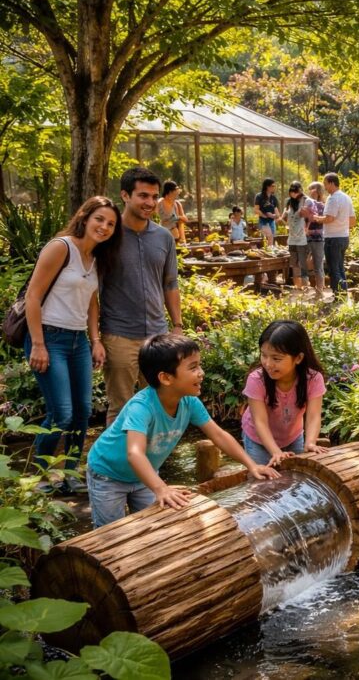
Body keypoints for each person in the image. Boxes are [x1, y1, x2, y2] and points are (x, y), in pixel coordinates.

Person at [86, 334, 280, 528]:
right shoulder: (142, 406)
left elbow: (219, 435)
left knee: (152, 527)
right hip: (107, 475)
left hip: (144, 476)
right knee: (111, 532)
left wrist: (251, 465)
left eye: (199, 365)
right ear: (166, 378)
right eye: (193, 367)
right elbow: (134, 453)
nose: (201, 372)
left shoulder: (190, 402)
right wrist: (161, 488)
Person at [23, 197, 123, 494]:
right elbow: (33, 296)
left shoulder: (96, 258)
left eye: (110, 224)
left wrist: (95, 340)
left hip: (78, 340)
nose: (104, 227)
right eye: (99, 219)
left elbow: (92, 301)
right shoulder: (60, 247)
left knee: (82, 411)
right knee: (61, 413)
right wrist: (38, 344)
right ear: (85, 217)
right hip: (49, 337)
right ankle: (39, 476)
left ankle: (70, 474)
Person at [101, 167, 184, 424]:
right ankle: (114, 464)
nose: (149, 203)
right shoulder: (107, 236)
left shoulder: (163, 237)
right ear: (125, 195)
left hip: (158, 336)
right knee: (121, 408)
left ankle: (153, 464)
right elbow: (89, 286)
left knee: (160, 405)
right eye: (143, 196)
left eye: (153, 196)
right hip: (119, 335)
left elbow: (170, 284)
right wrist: (94, 336)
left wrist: (177, 327)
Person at [241, 321, 329, 466]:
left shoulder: (313, 379)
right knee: (263, 482)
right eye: (264, 355)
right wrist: (275, 451)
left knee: (296, 481)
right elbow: (260, 422)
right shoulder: (256, 380)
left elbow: (313, 416)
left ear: (298, 358)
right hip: (258, 440)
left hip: (293, 437)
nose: (268, 363)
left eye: (276, 358)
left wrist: (311, 442)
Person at [319, 173, 355, 300]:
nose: (325, 187)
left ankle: (339, 296)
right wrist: (341, 226)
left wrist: (316, 218)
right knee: (340, 267)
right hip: (344, 237)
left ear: (331, 183)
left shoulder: (333, 198)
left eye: (325, 184)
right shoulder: (347, 197)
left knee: (334, 269)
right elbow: (352, 221)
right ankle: (343, 294)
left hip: (333, 238)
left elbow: (329, 218)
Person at [282, 181, 314, 294]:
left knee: (302, 262)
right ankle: (297, 286)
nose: (293, 194)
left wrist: (308, 228)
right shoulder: (289, 202)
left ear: (300, 190)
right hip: (291, 237)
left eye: (295, 191)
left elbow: (311, 217)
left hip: (302, 238)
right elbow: (284, 218)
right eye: (291, 191)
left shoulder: (306, 201)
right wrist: (283, 218)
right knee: (294, 263)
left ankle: (305, 285)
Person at [305, 182, 327, 300]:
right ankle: (316, 289)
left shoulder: (322, 205)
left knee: (318, 265)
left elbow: (318, 221)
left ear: (317, 191)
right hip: (307, 238)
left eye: (311, 189)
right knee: (309, 263)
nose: (309, 192)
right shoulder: (307, 204)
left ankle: (319, 291)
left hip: (318, 239)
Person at [254, 178, 280, 245]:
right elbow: (256, 210)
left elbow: (277, 213)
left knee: (271, 240)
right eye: (273, 186)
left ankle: (270, 252)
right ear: (267, 187)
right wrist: (265, 215)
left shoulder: (273, 198)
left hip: (272, 222)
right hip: (263, 221)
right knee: (268, 237)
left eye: (275, 186)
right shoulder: (259, 196)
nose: (274, 187)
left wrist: (273, 215)